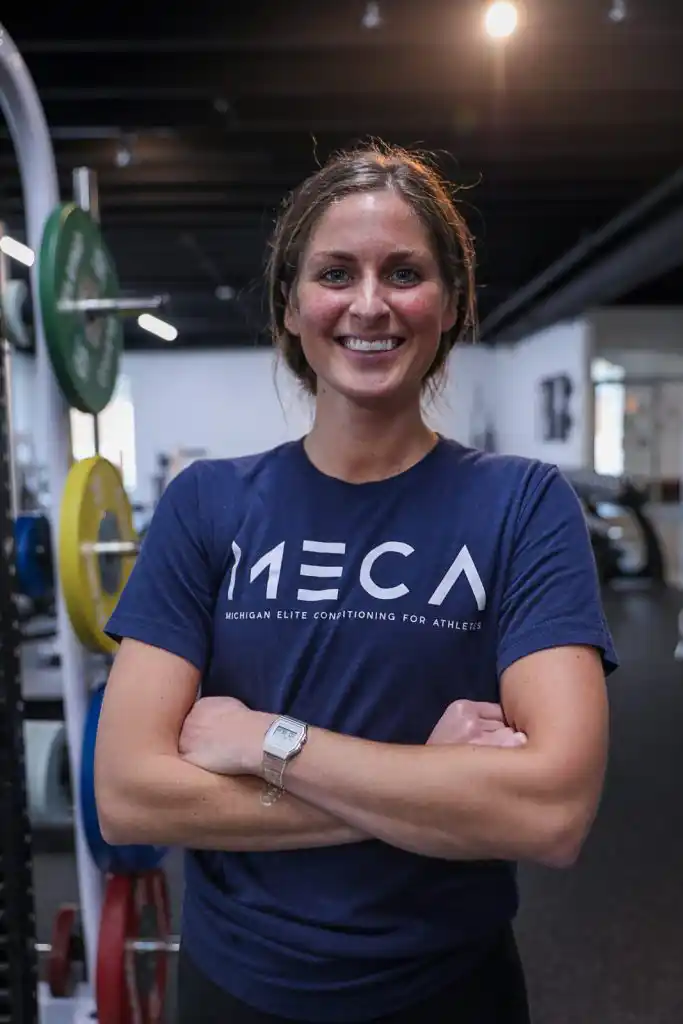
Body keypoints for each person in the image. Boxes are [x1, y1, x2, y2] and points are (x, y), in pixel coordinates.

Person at [95, 142, 618, 1024]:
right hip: (236, 990)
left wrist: (264, 739)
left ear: (449, 305)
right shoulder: (207, 505)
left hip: (447, 990)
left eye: (403, 272)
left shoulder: (522, 505)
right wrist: (429, 785)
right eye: (335, 273)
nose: (369, 304)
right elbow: (129, 795)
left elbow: (549, 811)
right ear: (291, 305)